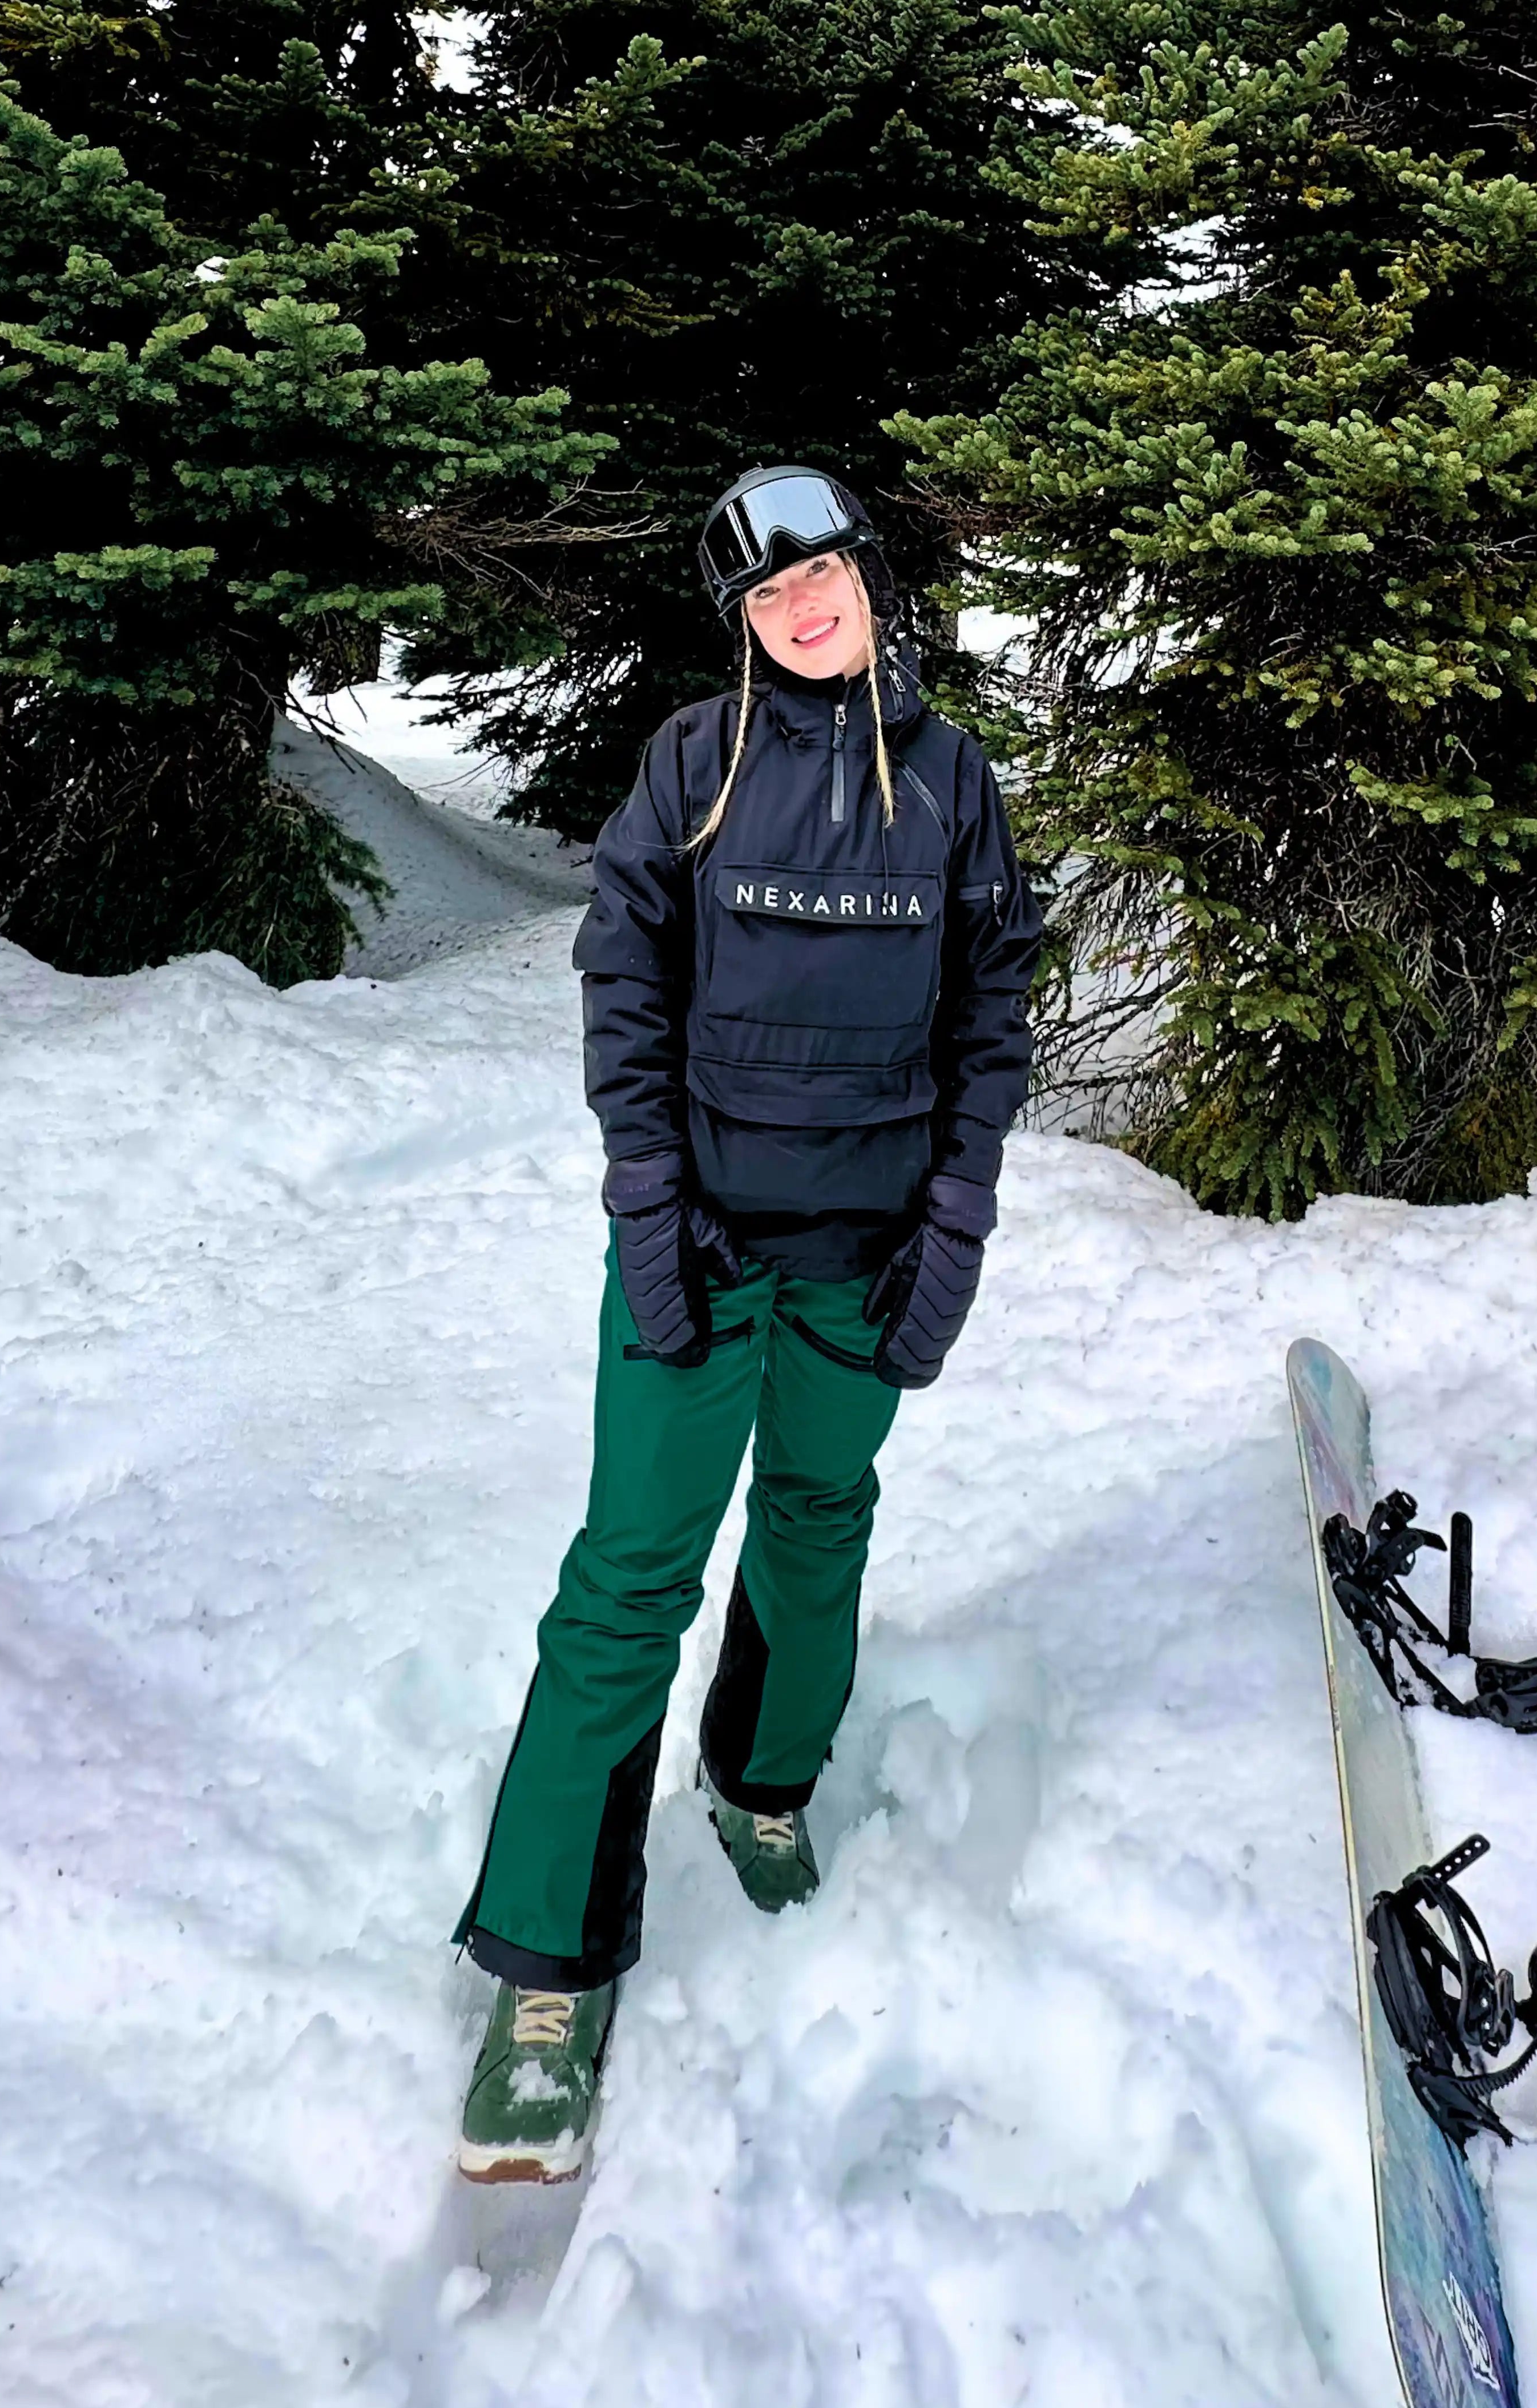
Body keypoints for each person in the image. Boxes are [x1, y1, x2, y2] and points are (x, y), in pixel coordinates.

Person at [453, 466, 1043, 2183]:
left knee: (816, 1520)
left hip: (862, 1258)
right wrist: (648, 1201)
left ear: (867, 579)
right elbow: (622, 979)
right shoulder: (689, 772)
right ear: (743, 621)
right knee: (629, 1580)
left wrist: (956, 1214)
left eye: (825, 574)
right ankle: (546, 1973)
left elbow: (989, 1008)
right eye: (770, 593)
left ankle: (764, 1773)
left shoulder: (947, 779)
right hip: (699, 1251)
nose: (804, 608)